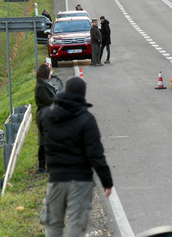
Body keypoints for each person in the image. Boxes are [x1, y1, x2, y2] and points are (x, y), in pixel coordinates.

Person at [39, 77, 113, 237]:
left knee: (52, 225)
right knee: (76, 226)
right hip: (80, 182)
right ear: (82, 95)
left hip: (55, 180)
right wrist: (106, 181)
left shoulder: (47, 117)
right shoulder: (87, 120)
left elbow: (42, 127)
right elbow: (96, 154)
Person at [34, 64, 56, 174]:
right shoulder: (40, 87)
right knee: (45, 142)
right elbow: (48, 101)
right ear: (45, 74)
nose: (50, 75)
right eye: (49, 73)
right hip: (43, 116)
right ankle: (45, 168)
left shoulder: (44, 85)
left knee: (44, 142)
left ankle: (44, 167)